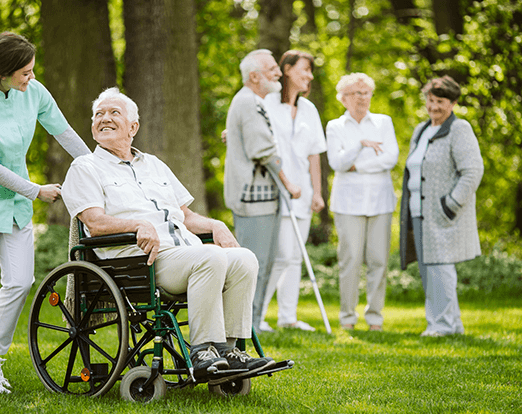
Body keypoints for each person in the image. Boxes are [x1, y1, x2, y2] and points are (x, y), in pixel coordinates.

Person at [61, 87, 275, 385]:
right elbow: (94, 222)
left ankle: (230, 350)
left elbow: (186, 216)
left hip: (183, 252)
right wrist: (136, 225)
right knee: (210, 255)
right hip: (138, 262)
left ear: (133, 127)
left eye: (114, 113)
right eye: (99, 114)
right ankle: (203, 351)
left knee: (243, 258)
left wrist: (215, 225)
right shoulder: (85, 167)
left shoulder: (154, 165)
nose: (104, 119)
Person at [0, 32, 90, 394]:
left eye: (31, 71)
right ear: (3, 71)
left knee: (20, 281)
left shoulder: (34, 92)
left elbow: (64, 132)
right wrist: (36, 190)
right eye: (24, 72)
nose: (31, 77)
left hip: (14, 206)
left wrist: (98, 167)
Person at [224, 49, 301, 333]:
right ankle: (246, 329)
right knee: (255, 267)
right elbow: (263, 150)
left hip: (263, 199)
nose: (279, 72)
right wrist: (289, 183)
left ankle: (252, 327)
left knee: (264, 265)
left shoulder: (253, 102)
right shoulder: (248, 103)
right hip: (253, 200)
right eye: (272, 69)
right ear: (254, 76)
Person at [399, 75, 483, 337]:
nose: (434, 106)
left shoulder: (459, 129)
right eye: (430, 100)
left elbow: (472, 171)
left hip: (442, 214)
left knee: (440, 268)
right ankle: (452, 324)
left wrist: (451, 205)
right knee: (430, 271)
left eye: (441, 101)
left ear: (453, 103)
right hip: (418, 213)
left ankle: (441, 326)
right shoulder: (422, 130)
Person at [258, 50, 327, 332]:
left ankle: (288, 317)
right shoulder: (267, 102)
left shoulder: (309, 109)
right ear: (287, 70)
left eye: (311, 71)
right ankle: (256, 317)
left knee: (295, 257)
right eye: (305, 70)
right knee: (281, 255)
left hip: (304, 192)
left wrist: (318, 193)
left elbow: (314, 155)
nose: (309, 76)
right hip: (277, 189)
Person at [326, 73, 399, 332]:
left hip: (380, 201)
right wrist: (359, 144)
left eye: (367, 92)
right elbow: (338, 163)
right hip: (348, 204)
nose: (363, 98)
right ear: (343, 98)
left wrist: (357, 165)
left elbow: (390, 158)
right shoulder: (335, 126)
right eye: (357, 93)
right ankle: (347, 316)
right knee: (351, 260)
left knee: (378, 260)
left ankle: (375, 318)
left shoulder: (383, 122)